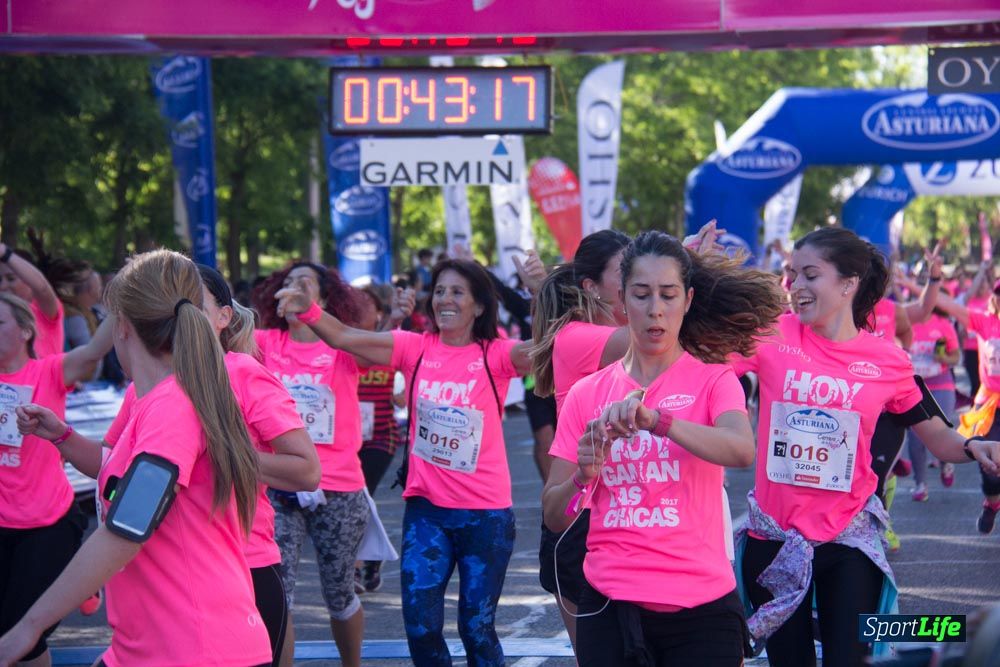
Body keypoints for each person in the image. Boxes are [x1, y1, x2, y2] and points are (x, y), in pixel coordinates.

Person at [733, 228, 1000, 667]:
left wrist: (974, 447)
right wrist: (693, 279)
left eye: (810, 275)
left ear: (848, 282)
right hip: (774, 537)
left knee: (849, 658)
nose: (795, 287)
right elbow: (696, 356)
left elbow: (937, 434)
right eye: (792, 274)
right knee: (788, 661)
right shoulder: (771, 335)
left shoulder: (888, 361)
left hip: (846, 540)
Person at [0, 249, 272, 667]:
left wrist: (28, 626)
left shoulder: (172, 407)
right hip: (153, 645)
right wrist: (64, 437)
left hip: (196, 648)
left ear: (121, 327)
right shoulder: (155, 401)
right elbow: (119, 481)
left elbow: (128, 526)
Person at [541, 230, 784, 666]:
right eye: (641, 294)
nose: (655, 309)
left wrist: (660, 421)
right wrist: (583, 474)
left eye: (668, 295)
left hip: (701, 608)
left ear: (687, 300)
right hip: (610, 604)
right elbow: (555, 515)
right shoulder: (586, 393)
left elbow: (741, 449)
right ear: (621, 301)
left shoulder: (714, 381)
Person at [274, 258, 532, 667]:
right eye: (440, 291)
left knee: (477, 629)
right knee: (421, 628)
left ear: (479, 306)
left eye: (457, 292)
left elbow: (556, 352)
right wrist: (308, 308)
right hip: (427, 512)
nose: (445, 299)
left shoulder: (496, 355)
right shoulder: (415, 348)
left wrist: (538, 294)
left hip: (486, 516)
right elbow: (342, 336)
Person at [251, 261, 370, 667]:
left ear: (324, 297)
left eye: (305, 283)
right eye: (287, 283)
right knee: (277, 591)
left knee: (338, 592)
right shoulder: (262, 344)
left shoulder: (342, 346)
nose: (294, 289)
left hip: (339, 487)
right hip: (279, 486)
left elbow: (369, 345)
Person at [528, 228, 631, 648]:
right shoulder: (577, 338)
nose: (639, 285)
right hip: (580, 515)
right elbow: (655, 335)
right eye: (628, 274)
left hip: (628, 511)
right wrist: (684, 271)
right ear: (591, 286)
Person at [0, 292, 112, 667]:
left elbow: (95, 350)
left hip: (46, 523)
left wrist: (127, 294)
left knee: (20, 634)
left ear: (26, 331)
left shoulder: (48, 370)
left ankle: (79, 577)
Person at [932, 278, 1000, 534]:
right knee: (991, 467)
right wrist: (930, 282)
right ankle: (992, 503)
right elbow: (945, 303)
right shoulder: (985, 321)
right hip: (989, 406)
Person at [903, 298, 961, 500]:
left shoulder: (943, 324)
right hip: (913, 387)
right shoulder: (905, 322)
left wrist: (944, 358)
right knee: (916, 437)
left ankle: (947, 461)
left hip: (941, 384)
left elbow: (956, 357)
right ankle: (920, 484)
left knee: (942, 430)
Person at [0, 242, 63, 358]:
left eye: (11, 279)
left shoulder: (43, 311)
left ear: (29, 278)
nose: (3, 285)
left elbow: (43, 288)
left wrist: (5, 253)